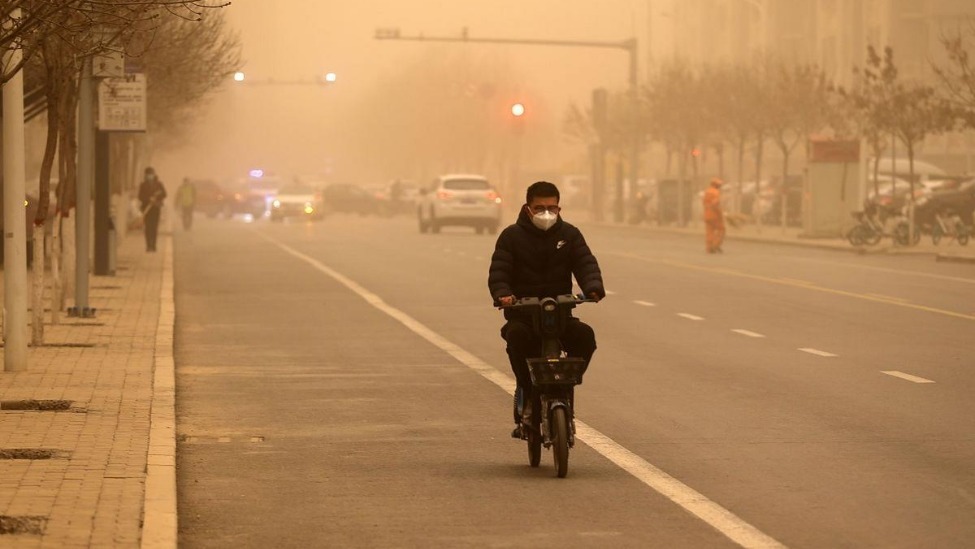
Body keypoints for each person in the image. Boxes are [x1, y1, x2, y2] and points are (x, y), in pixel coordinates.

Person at [488, 181, 605, 438]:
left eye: (552, 208)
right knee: (517, 338)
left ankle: (565, 385)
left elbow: (585, 264)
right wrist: (503, 295)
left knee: (585, 337)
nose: (546, 213)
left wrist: (593, 287)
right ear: (528, 208)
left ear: (559, 208)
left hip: (560, 315)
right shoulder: (511, 237)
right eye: (540, 208)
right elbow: (499, 271)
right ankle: (527, 393)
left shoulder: (570, 235)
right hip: (524, 316)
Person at [138, 167, 167, 252]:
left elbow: (165, 194)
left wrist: (157, 198)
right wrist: (148, 199)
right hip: (147, 209)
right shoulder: (143, 185)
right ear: (145, 175)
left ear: (154, 174)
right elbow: (140, 196)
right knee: (148, 227)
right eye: (148, 174)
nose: (149, 176)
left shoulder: (159, 184)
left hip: (156, 208)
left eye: (151, 174)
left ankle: (154, 246)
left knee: (154, 227)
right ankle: (148, 246)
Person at [703, 177, 725, 253]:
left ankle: (709, 247)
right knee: (721, 230)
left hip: (707, 214)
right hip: (715, 215)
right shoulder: (716, 192)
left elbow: (705, 203)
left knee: (709, 232)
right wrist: (720, 214)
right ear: (717, 185)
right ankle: (716, 245)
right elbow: (715, 204)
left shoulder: (707, 192)